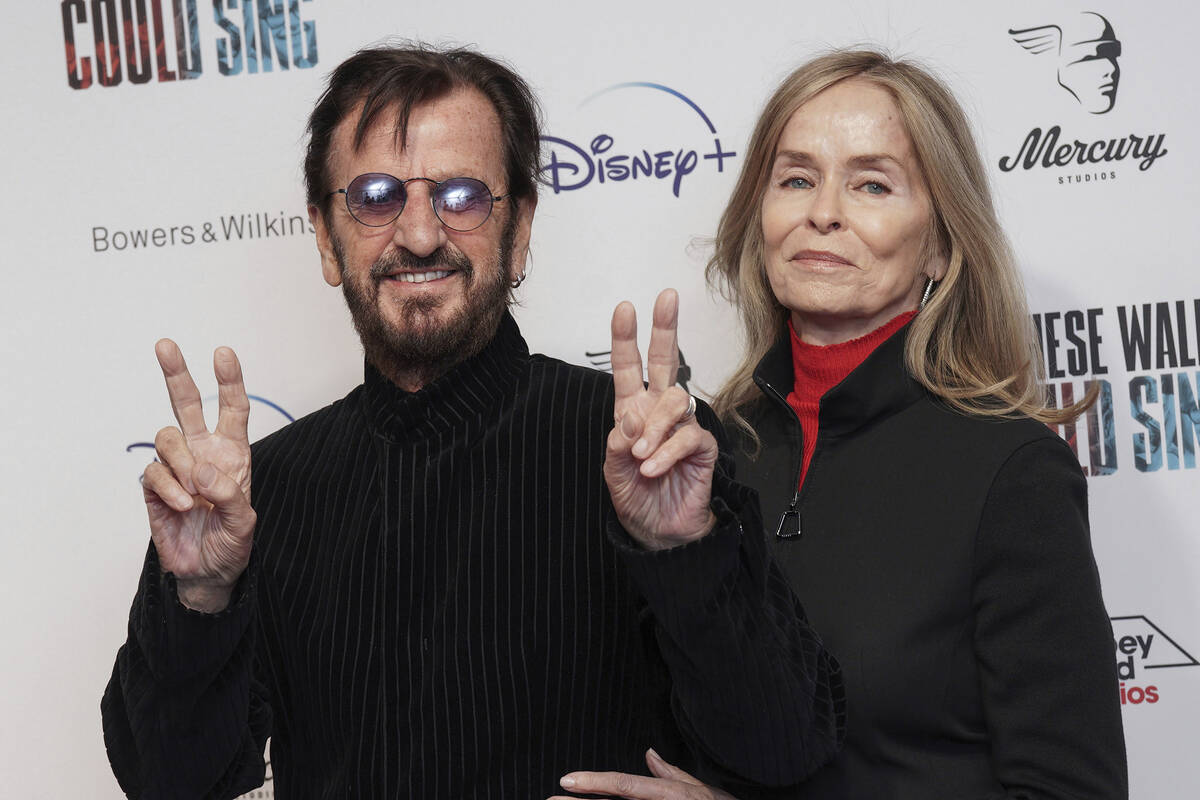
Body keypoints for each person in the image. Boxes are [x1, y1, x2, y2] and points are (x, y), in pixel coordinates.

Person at [100, 44, 844, 799]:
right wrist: (199, 597)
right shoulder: (260, 495)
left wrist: (685, 550)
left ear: (518, 229)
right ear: (327, 237)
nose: (420, 234)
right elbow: (170, 783)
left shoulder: (645, 449)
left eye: (460, 196)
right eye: (377, 196)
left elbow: (785, 749)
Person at [567, 49, 1126, 800]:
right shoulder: (704, 454)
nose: (821, 211)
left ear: (939, 243)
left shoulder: (1012, 472)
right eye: (796, 178)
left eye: (871, 184)